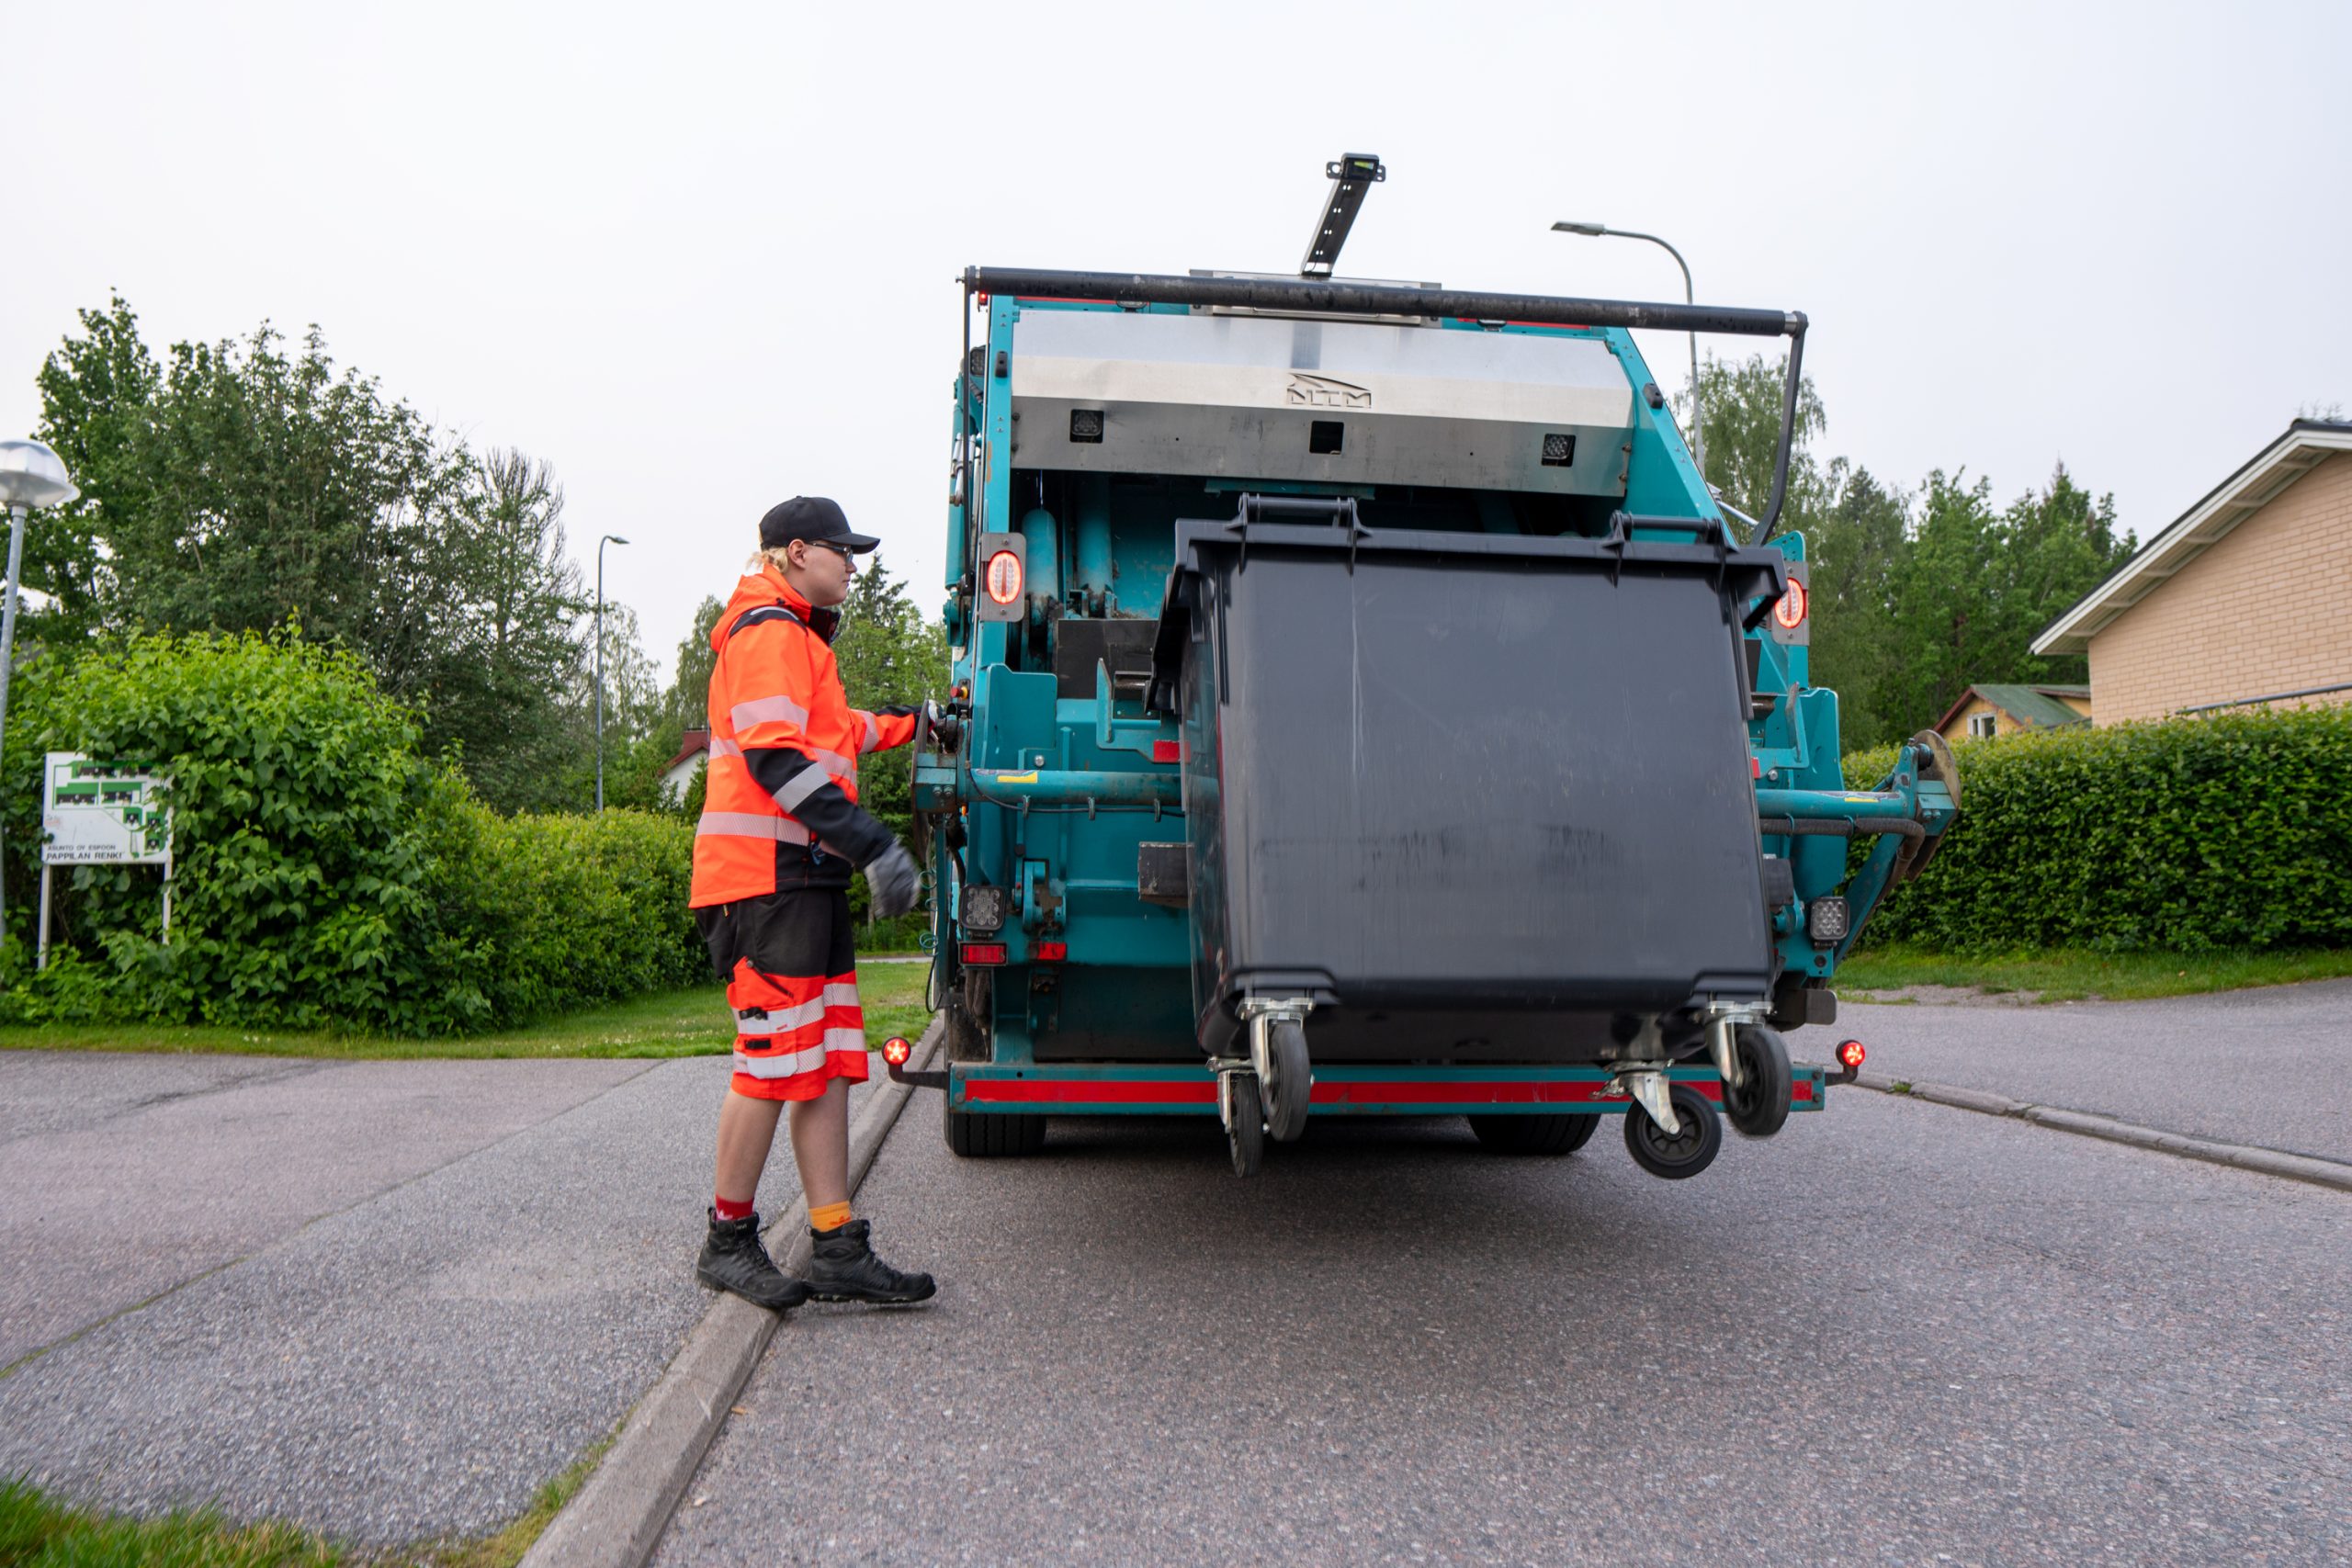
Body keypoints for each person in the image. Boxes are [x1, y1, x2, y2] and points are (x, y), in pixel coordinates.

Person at [689, 495, 934, 1311]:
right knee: (769, 1062)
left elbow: (840, 731)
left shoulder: (797, 638)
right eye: (843, 550)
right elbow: (773, 758)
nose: (853, 565)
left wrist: (914, 724)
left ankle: (834, 1243)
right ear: (797, 552)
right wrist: (874, 842)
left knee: (825, 1059)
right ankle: (727, 1239)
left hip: (801, 876)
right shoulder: (765, 630)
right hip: (763, 879)